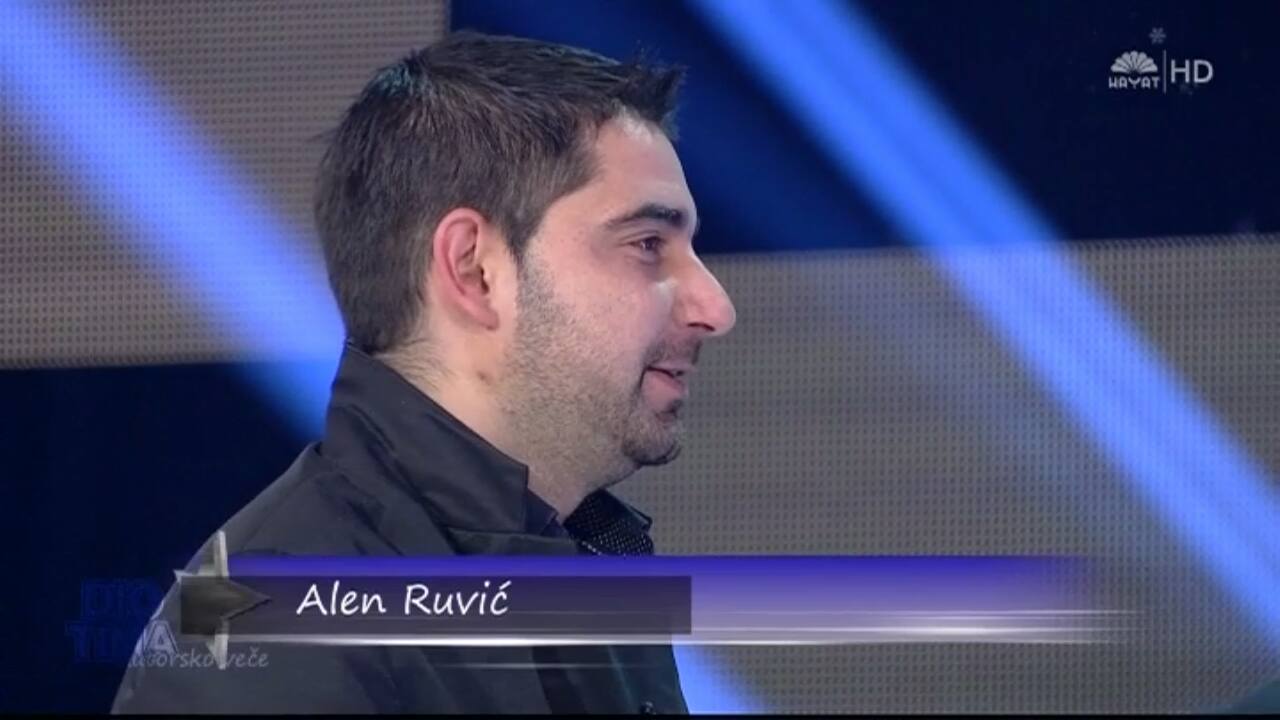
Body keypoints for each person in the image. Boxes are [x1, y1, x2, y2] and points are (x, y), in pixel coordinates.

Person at [111, 30, 736, 714]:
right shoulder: (261, 630)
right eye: (647, 245)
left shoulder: (584, 559)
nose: (715, 307)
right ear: (474, 270)